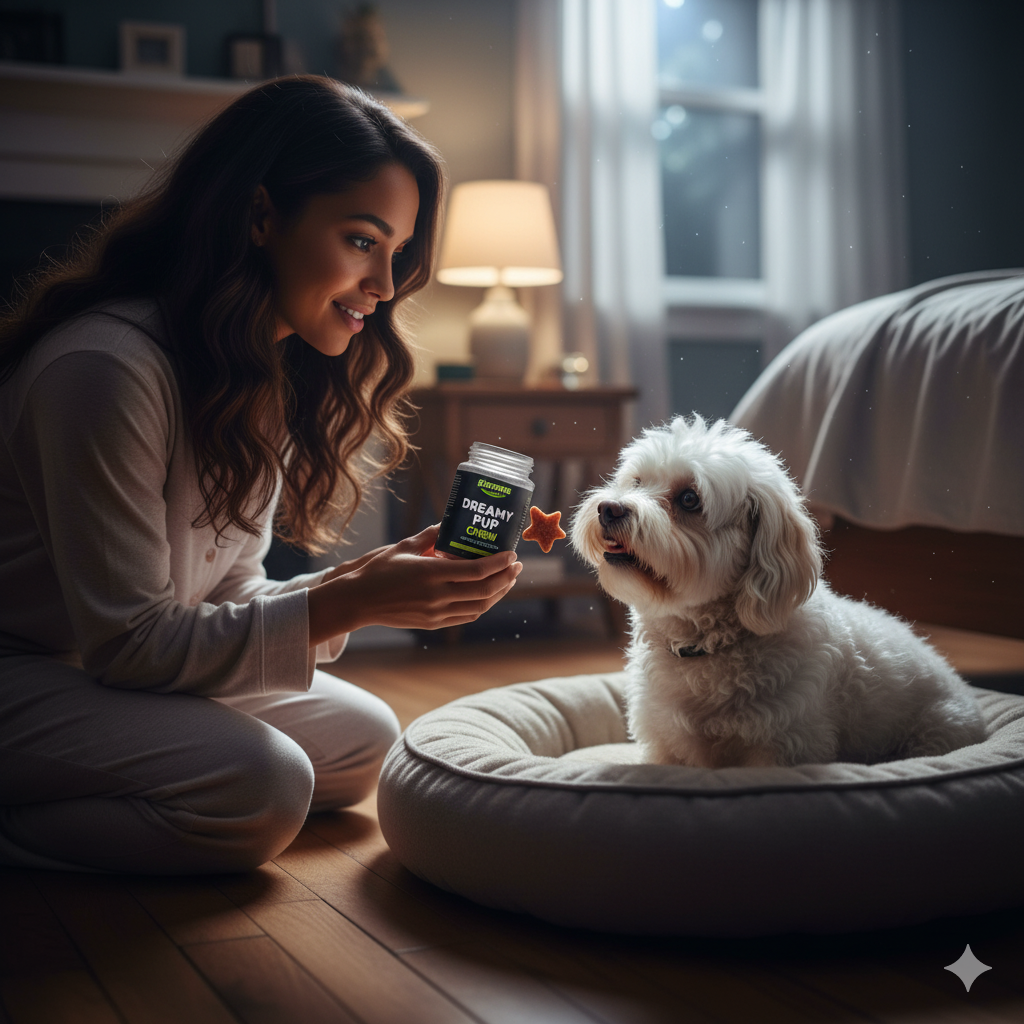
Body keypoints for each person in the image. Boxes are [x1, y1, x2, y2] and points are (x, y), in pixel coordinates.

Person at [0, 76, 522, 874]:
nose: (384, 288)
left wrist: (367, 579)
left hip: (104, 668)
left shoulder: (250, 370)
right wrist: (351, 600)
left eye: (397, 253)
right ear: (260, 215)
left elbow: (227, 595)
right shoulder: (104, 369)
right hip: (26, 671)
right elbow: (131, 647)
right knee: (264, 787)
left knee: (365, 742)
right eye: (361, 240)